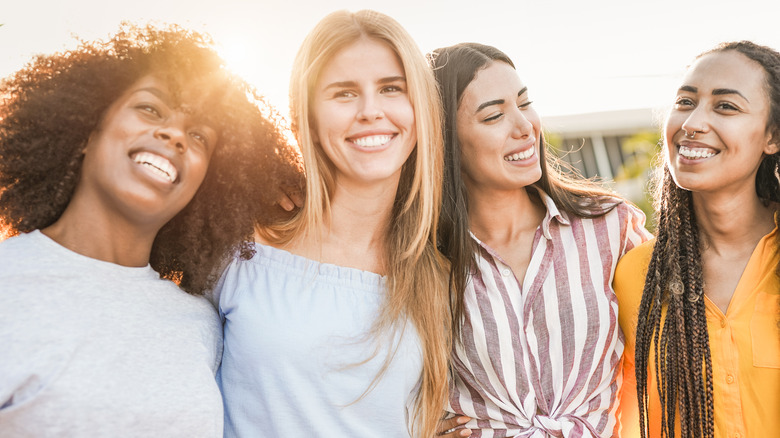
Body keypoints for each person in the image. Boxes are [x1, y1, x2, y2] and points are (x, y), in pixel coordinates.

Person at [0, 24, 301, 436]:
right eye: (150, 109)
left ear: (206, 184)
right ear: (87, 129)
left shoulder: (201, 324)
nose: (174, 134)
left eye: (198, 136)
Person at [215, 9, 451, 438]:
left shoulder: (439, 278)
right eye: (344, 93)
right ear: (306, 119)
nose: (370, 111)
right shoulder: (239, 250)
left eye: (390, 88)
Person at [428, 43, 651, 437]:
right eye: (494, 115)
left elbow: (677, 351)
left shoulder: (612, 229)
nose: (524, 126)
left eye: (524, 102)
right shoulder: (425, 258)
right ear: (445, 140)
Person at [615, 41, 780, 438]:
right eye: (685, 102)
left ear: (772, 137)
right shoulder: (635, 275)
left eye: (726, 106)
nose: (692, 122)